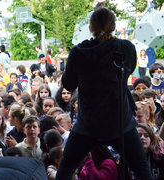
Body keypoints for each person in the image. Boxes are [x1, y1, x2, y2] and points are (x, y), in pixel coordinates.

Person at [56, 8, 153, 180]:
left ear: (91, 27)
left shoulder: (79, 52)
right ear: (114, 25)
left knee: (66, 167)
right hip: (120, 122)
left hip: (88, 123)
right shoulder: (126, 48)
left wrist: (71, 64)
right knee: (140, 168)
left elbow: (69, 84)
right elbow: (128, 71)